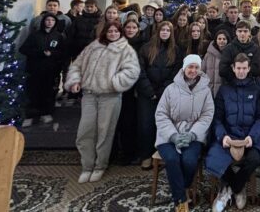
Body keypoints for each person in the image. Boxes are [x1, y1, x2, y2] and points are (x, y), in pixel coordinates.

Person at [64, 21, 140, 183]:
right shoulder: (93, 47)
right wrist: (75, 81)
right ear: (105, 32)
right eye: (110, 31)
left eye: (115, 31)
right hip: (90, 95)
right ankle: (87, 165)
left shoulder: (125, 50)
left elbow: (132, 72)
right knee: (85, 131)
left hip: (110, 97)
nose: (113, 34)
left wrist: (112, 82)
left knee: (105, 132)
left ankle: (100, 165)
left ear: (120, 33)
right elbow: (77, 65)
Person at [207, 54, 260, 212]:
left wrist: (252, 137)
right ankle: (229, 189)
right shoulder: (224, 90)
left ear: (248, 69)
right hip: (229, 136)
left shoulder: (257, 90)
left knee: (255, 158)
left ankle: (235, 187)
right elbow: (217, 119)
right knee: (213, 156)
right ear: (233, 68)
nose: (241, 71)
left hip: (249, 137)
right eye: (238, 68)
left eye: (244, 68)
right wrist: (223, 136)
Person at [155, 54, 215, 212]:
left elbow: (207, 115)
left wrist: (193, 134)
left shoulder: (205, 90)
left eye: (196, 67)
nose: (193, 70)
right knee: (172, 159)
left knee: (189, 160)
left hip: (194, 135)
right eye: (190, 67)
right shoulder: (171, 89)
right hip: (168, 135)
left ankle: (184, 187)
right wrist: (173, 135)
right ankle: (181, 200)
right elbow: (161, 115)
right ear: (184, 68)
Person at [136, 21, 184, 170]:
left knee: (163, 126)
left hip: (166, 94)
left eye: (167, 30)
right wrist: (149, 91)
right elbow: (140, 71)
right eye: (162, 30)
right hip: (147, 93)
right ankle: (145, 156)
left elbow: (176, 72)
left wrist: (163, 91)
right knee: (146, 125)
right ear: (157, 32)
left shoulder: (175, 50)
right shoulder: (146, 48)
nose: (164, 33)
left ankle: (161, 154)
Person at [20, 13, 65, 127]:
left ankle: (46, 113)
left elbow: (63, 53)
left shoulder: (58, 36)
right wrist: (39, 53)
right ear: (43, 21)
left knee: (48, 92)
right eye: (47, 20)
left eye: (52, 20)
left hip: (50, 69)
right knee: (33, 92)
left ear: (55, 23)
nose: (49, 22)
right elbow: (23, 49)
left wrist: (52, 54)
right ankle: (30, 115)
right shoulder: (35, 35)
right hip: (35, 68)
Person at [113, 19, 146, 165]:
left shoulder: (143, 45)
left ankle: (129, 153)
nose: (131, 30)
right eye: (128, 27)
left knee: (129, 122)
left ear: (138, 29)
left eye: (134, 27)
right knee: (115, 121)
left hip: (134, 88)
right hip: (119, 86)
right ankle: (113, 153)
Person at [202, 30, 231, 96]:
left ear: (227, 40)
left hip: (224, 90)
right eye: (219, 39)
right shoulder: (208, 54)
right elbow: (202, 71)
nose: (222, 41)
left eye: (224, 39)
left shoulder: (230, 54)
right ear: (216, 40)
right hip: (208, 89)